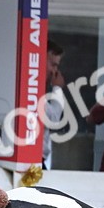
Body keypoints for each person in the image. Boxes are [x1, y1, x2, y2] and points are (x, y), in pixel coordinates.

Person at [42, 41, 66, 170]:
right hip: (33, 161)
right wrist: (57, 88)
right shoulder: (30, 88)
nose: (54, 71)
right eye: (53, 64)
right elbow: (53, 119)